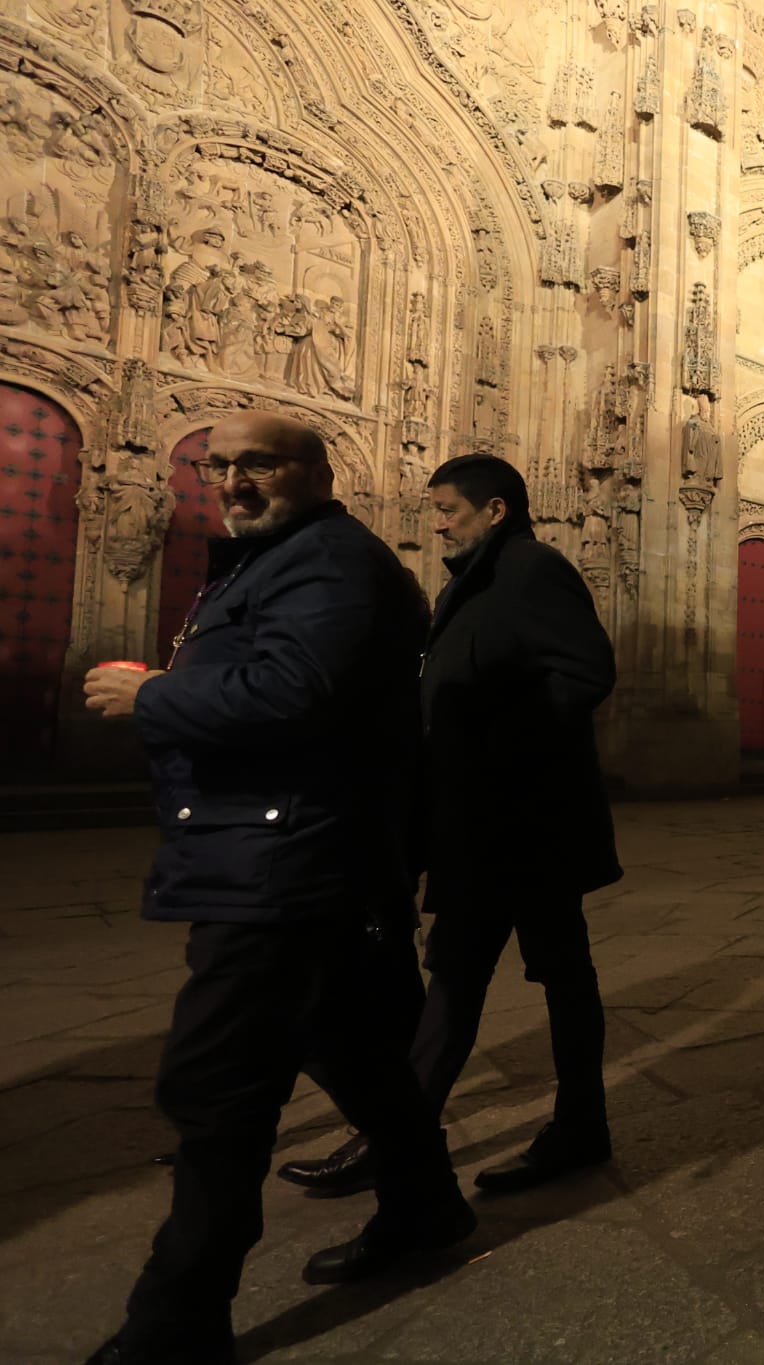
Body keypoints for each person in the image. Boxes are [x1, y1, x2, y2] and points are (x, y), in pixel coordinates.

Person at [80, 413, 472, 1363]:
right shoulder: (283, 558)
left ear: (316, 470)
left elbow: (294, 692)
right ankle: (426, 1207)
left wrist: (153, 697)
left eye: (257, 463)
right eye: (219, 465)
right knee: (356, 1049)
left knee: (215, 1087)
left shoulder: (329, 561)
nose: (232, 480)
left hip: (287, 861)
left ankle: (177, 1321)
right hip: (284, 850)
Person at [278, 454, 623, 1197]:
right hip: (483, 825)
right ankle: (408, 1132)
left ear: (494, 510)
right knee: (463, 977)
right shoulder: (473, 582)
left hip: (528, 824)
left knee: (536, 975)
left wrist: (493, 743)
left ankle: (564, 1126)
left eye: (448, 510)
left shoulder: (533, 569)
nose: (436, 522)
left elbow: (587, 671)